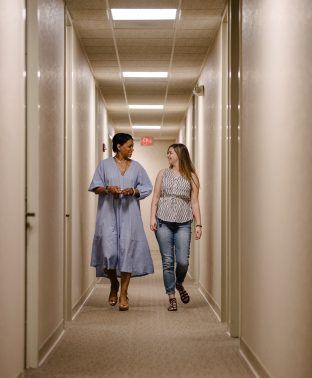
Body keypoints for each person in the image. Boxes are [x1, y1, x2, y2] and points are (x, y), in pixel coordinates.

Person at [89, 133, 154, 311]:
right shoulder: (104, 165)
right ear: (118, 146)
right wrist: (108, 189)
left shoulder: (137, 167)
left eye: (133, 146)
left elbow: (147, 187)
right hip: (108, 214)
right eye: (129, 146)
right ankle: (113, 284)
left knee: (127, 252)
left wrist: (132, 191)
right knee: (109, 253)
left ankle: (124, 293)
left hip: (129, 215)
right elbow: (95, 187)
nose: (132, 149)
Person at [150, 143, 202, 311]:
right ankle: (171, 296)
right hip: (163, 221)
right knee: (167, 261)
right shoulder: (162, 174)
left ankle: (179, 283)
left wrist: (199, 224)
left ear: (179, 154)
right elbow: (156, 198)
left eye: (170, 153)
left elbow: (194, 202)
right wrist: (152, 218)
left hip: (184, 223)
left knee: (182, 261)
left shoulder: (192, 176)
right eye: (167, 153)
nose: (168, 155)